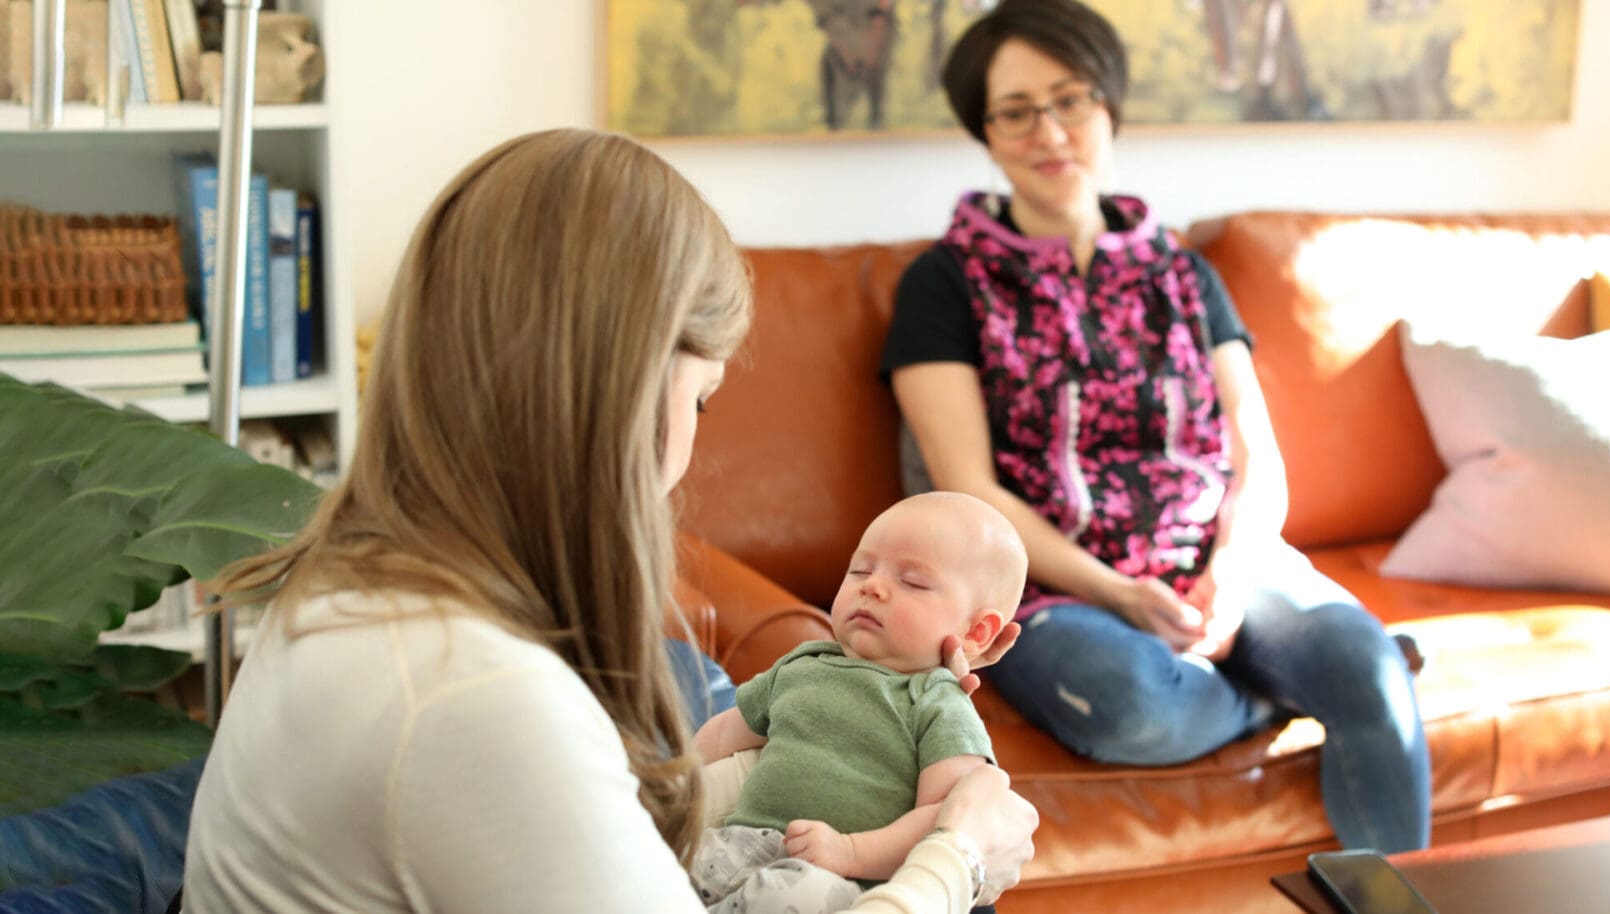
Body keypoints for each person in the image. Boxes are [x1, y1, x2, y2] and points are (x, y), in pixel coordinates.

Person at [179, 128, 1036, 912]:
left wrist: (861, 734)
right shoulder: (478, 697)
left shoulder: (354, 576)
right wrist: (959, 854)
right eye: (701, 398)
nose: (691, 450)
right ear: (626, 393)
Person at [882, 0, 1432, 853]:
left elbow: (1257, 454)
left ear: (1109, 109)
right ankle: (1281, 690)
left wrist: (1230, 571)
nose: (1049, 131)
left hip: (1215, 564)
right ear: (984, 134)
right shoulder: (941, 285)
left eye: (1070, 100)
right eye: (1016, 111)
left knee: (1370, 674)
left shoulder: (1183, 272)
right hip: (1053, 590)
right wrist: (1119, 591)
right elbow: (970, 491)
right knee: (1134, 707)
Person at [690, 492, 1028, 912]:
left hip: (835, 877)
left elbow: (944, 818)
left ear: (977, 633)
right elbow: (726, 732)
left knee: (794, 896)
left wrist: (850, 851)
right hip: (737, 844)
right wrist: (671, 779)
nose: (873, 586)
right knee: (669, 857)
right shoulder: (804, 663)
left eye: (912, 581)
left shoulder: (940, 704)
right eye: (860, 569)